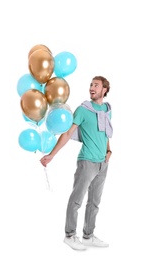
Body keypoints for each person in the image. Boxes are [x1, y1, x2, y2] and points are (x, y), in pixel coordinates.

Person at [40, 76, 113, 251]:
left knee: (95, 202)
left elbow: (105, 133)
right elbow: (66, 134)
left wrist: (109, 150)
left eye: (96, 85)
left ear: (104, 90)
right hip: (87, 161)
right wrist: (51, 155)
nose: (92, 87)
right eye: (91, 85)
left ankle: (88, 236)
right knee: (76, 200)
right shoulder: (82, 110)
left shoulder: (107, 110)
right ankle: (70, 235)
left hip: (103, 162)